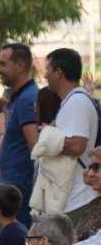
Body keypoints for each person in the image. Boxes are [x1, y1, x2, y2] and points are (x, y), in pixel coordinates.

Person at [43, 47, 101, 236]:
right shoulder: (73, 101)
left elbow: (77, 145)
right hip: (72, 196)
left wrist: (47, 138)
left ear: (59, 72)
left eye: (48, 70)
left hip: (78, 196)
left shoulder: (77, 102)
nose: (45, 75)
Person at [0, 42, 39, 223]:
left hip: (19, 189)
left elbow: (35, 149)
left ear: (20, 66)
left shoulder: (27, 99)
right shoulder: (20, 97)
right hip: (13, 186)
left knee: (18, 244)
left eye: (3, 64)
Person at [30, 87, 76, 218]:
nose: (34, 106)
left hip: (51, 205)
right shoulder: (53, 131)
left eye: (37, 102)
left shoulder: (51, 133)